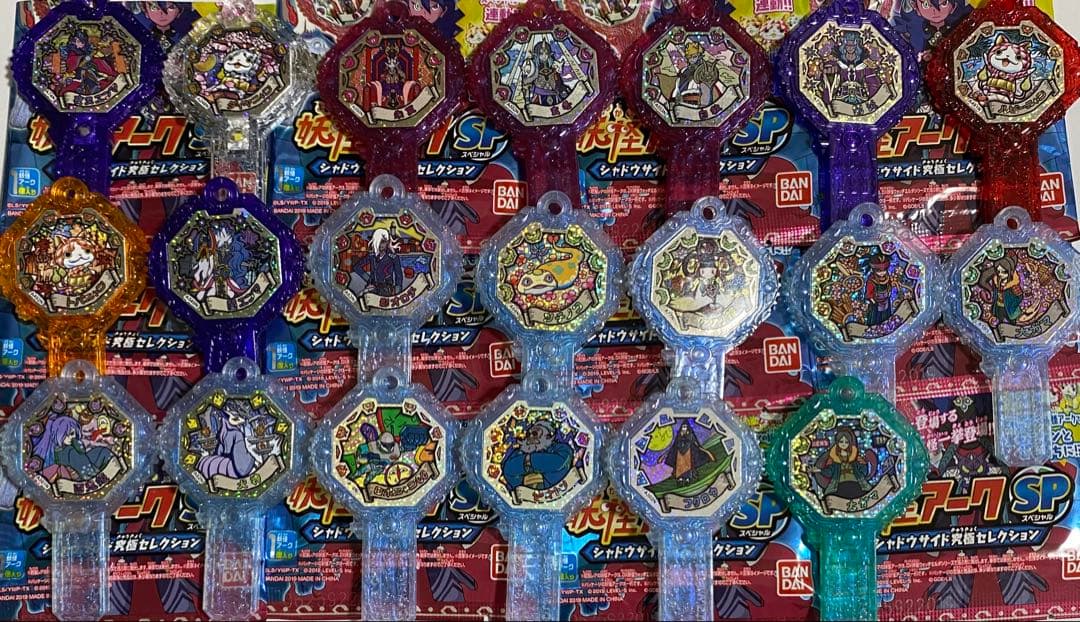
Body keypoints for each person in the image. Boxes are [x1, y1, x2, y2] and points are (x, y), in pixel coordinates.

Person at [31, 414, 116, 482]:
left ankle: (115, 466)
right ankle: (95, 477)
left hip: (84, 461)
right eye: (66, 435)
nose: (70, 437)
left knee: (102, 452)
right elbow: (80, 459)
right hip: (81, 471)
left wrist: (76, 442)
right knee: (73, 453)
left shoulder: (73, 444)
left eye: (72, 433)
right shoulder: (64, 450)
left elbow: (82, 451)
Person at [501, 421, 574, 490]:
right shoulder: (519, 453)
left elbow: (558, 462)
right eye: (528, 434)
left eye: (535, 433)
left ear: (547, 436)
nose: (530, 436)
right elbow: (508, 470)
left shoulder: (562, 448)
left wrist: (528, 459)